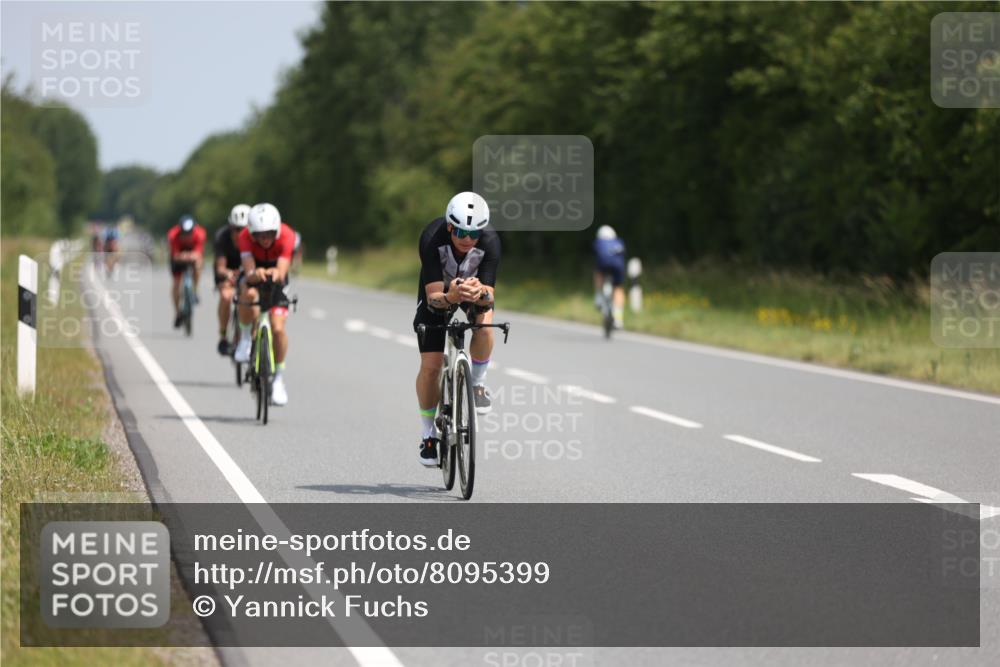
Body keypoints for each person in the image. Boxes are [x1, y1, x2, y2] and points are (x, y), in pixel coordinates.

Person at [413, 191, 500, 466]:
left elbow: (490, 295)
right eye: (461, 230)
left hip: (470, 291)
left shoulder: (490, 241)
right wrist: (451, 297)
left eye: (474, 233)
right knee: (431, 366)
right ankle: (428, 434)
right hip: (440, 290)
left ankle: (477, 382)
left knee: (485, 326)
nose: (467, 238)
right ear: (450, 225)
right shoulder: (431, 238)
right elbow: (433, 297)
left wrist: (480, 293)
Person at [232, 203, 296, 406]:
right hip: (254, 271)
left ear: (276, 230)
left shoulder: (287, 235)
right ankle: (245, 339)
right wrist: (254, 274)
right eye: (260, 235)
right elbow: (249, 269)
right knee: (248, 294)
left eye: (269, 234)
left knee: (278, 329)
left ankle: (278, 378)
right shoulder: (243, 237)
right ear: (251, 233)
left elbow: (282, 269)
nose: (265, 239)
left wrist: (276, 273)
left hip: (277, 274)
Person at [213, 204, 251, 355]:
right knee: (226, 296)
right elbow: (220, 267)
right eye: (235, 229)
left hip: (246, 272)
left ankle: (249, 333)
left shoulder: (255, 239)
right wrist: (228, 274)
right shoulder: (222, 237)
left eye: (243, 229)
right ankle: (223, 335)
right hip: (227, 271)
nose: (239, 233)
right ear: (230, 227)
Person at [167, 215, 207, 328]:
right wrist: (182, 256)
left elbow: (198, 253)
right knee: (176, 284)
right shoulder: (173, 235)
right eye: (184, 233)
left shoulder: (200, 233)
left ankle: (195, 289)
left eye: (189, 233)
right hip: (178, 255)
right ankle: (177, 312)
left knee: (198, 263)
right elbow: (175, 255)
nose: (187, 236)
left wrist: (191, 256)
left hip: (192, 253)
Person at [593, 224, 626, 329]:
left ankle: (598, 296)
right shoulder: (618, 241)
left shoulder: (599, 242)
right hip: (617, 267)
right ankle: (618, 319)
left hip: (603, 266)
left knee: (598, 272)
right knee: (618, 288)